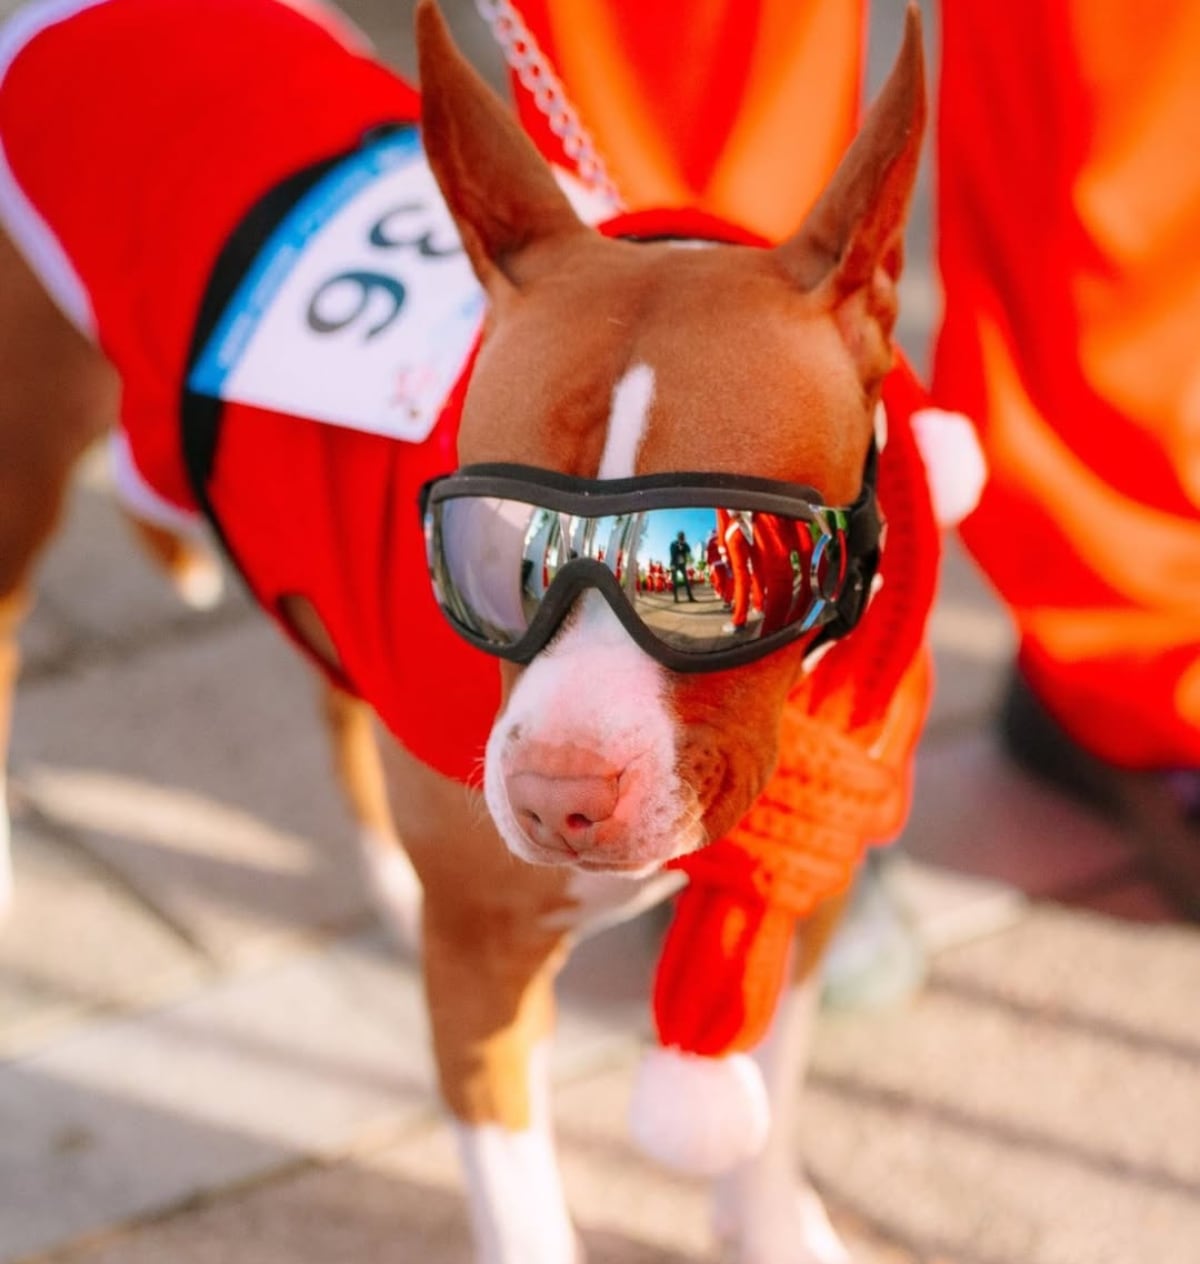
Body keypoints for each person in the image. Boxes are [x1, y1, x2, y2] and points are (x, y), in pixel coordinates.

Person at [669, 530, 695, 603]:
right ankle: (676, 598)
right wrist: (678, 547)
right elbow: (672, 553)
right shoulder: (673, 544)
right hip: (674, 564)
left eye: (683, 537)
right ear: (678, 537)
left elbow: (689, 550)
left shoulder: (685, 544)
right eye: (681, 537)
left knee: (686, 581)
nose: (682, 538)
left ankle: (690, 597)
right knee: (675, 581)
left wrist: (683, 545)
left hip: (682, 564)